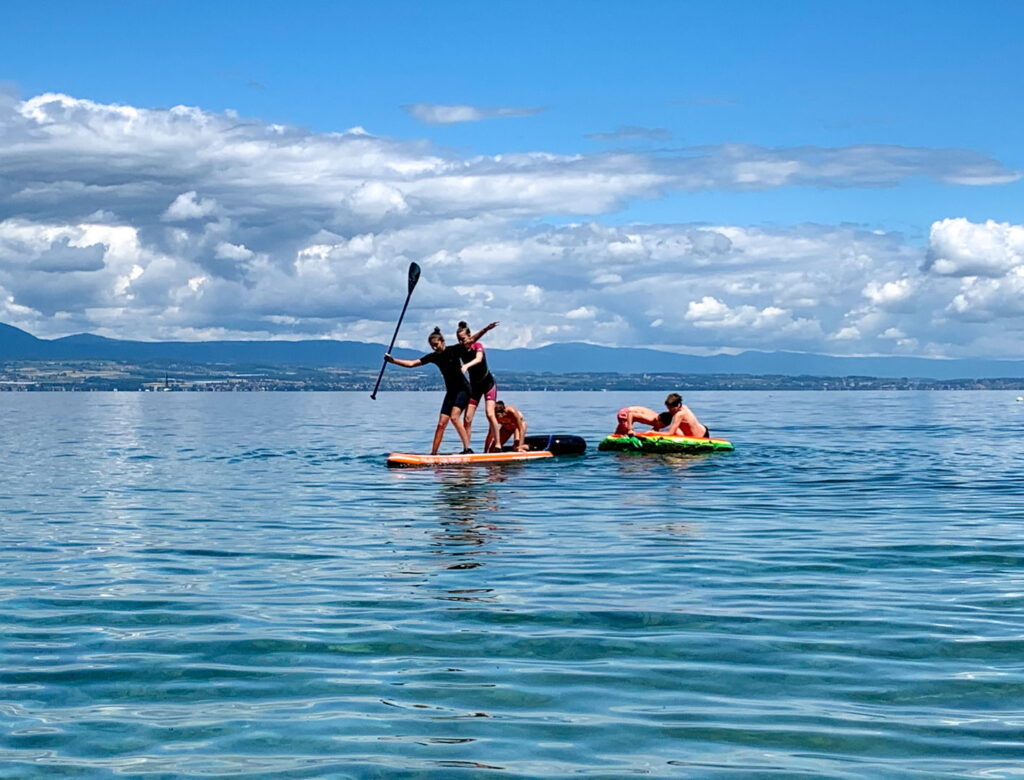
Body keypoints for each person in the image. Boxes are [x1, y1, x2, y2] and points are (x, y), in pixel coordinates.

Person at [385, 327, 473, 454]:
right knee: (441, 424)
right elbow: (412, 364)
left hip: (463, 390)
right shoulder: (434, 357)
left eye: (436, 345)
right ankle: (433, 454)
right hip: (451, 392)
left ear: (442, 341)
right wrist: (392, 361)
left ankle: (467, 449)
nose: (434, 348)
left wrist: (486, 329)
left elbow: (471, 340)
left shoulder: (454, 350)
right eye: (432, 346)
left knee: (454, 418)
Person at [457, 320, 501, 452]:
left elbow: (478, 359)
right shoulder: (460, 350)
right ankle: (467, 448)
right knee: (467, 418)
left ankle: (498, 445)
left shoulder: (477, 346)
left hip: (488, 384)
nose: (461, 342)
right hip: (474, 387)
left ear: (469, 337)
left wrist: (466, 365)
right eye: (459, 339)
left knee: (490, 414)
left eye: (463, 339)